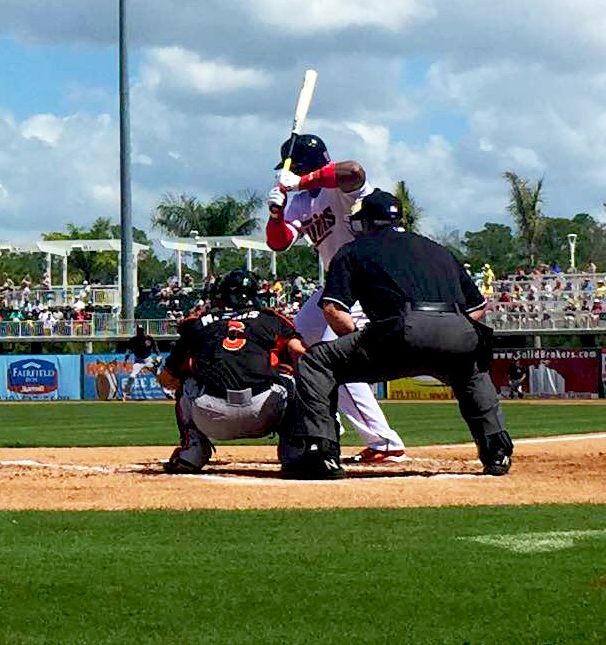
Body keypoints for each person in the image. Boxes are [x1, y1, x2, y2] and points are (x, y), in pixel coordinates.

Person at [286, 191, 513, 479]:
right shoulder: (437, 249)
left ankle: (321, 454)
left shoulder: (354, 249)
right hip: (459, 329)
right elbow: (479, 308)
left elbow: (332, 310)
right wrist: (447, 329)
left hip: (400, 331)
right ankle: (497, 450)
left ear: (366, 223)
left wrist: (358, 336)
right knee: (472, 371)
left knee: (317, 362)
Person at [263, 132, 409, 464]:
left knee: (337, 358)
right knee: (291, 339)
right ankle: (327, 414)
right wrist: (275, 212)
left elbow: (353, 171)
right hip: (336, 284)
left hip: (366, 282)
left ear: (304, 167)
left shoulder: (340, 189)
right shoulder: (300, 201)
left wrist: (299, 181)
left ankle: (384, 441)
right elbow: (279, 242)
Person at [152, 268, 319, 476]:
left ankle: (191, 453)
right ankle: (294, 452)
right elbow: (298, 352)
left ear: (222, 296)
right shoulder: (270, 319)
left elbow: (167, 378)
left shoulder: (196, 324)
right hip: (264, 413)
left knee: (186, 381)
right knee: (291, 378)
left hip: (211, 415)